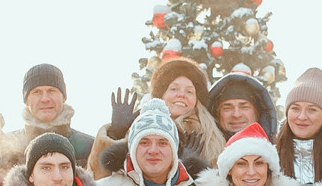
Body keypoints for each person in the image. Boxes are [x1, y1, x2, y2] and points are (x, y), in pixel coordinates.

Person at [95, 56, 226, 174]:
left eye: (189, 91)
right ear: (161, 95)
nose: (182, 94)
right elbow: (100, 179)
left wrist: (190, 166)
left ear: (197, 99)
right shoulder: (138, 128)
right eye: (174, 89)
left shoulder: (211, 138)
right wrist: (115, 134)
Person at [0, 63, 93, 168]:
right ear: (26, 100)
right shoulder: (5, 147)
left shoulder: (91, 146)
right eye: (37, 92)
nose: (45, 99)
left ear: (63, 98)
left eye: (52, 91)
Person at [206, 69, 277, 142]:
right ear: (217, 115)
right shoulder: (200, 150)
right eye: (227, 108)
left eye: (244, 107)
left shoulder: (277, 151)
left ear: (257, 113)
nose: (236, 115)